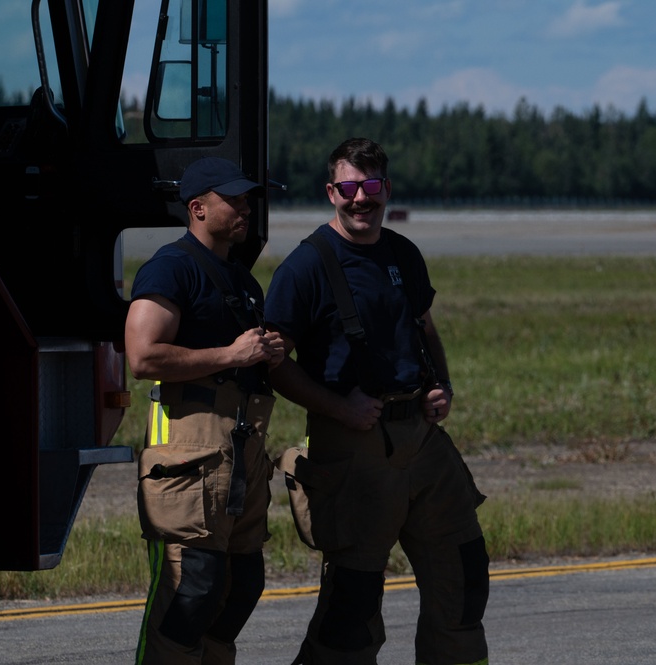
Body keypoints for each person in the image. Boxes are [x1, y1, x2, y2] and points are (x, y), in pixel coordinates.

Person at [263, 137, 490, 665]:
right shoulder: (304, 268)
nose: (360, 199)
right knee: (352, 609)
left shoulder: (403, 254)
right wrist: (338, 408)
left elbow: (425, 327)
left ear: (385, 189)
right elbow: (271, 361)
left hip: (423, 444)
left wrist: (442, 387)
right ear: (330, 193)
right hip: (354, 450)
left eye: (370, 187)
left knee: (465, 575)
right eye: (348, 187)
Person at [125, 156, 285, 664]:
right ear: (197, 208)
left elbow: (246, 358)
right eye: (232, 200)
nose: (245, 209)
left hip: (242, 449)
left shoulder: (242, 281)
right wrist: (231, 355)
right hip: (191, 451)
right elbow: (142, 355)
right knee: (192, 589)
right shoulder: (171, 268)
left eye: (247, 200)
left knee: (241, 586)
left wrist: (266, 356)